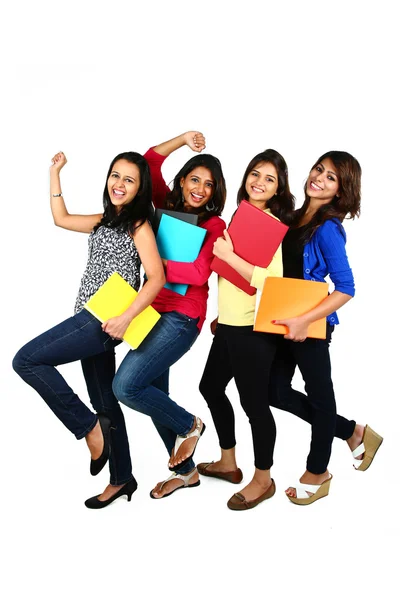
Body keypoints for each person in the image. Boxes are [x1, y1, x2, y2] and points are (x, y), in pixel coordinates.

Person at [12, 150, 165, 508]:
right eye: (115, 175)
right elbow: (60, 218)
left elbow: (156, 277)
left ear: (140, 187)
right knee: (105, 401)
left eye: (129, 179)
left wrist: (126, 317)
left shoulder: (138, 224)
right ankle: (122, 478)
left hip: (102, 319)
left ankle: (87, 428)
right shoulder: (102, 221)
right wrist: (55, 173)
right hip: (89, 314)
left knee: (26, 361)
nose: (119, 184)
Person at [110, 131, 227, 501]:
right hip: (150, 309)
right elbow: (149, 160)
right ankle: (187, 473)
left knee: (126, 386)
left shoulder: (213, 225)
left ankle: (189, 425)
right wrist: (183, 139)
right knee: (154, 392)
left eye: (209, 185)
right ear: (182, 180)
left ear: (214, 192)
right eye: (195, 179)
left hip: (182, 318)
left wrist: (155, 265)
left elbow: (197, 274)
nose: (200, 189)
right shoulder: (161, 204)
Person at [266, 150, 380, 504]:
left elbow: (346, 287)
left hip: (310, 325)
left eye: (331, 177)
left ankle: (317, 472)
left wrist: (306, 320)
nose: (320, 178)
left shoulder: (328, 228)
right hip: (283, 320)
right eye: (319, 170)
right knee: (275, 392)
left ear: (341, 191)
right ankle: (353, 432)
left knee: (320, 395)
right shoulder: (296, 217)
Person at [198, 149, 294, 510]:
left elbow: (272, 280)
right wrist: (223, 315)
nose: (259, 182)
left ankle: (263, 479)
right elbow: (233, 279)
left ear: (277, 189)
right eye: (255, 173)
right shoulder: (242, 216)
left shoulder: (271, 225)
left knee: (254, 405)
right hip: (230, 325)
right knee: (210, 386)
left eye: (269, 178)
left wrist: (228, 255)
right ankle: (228, 461)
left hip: (253, 330)